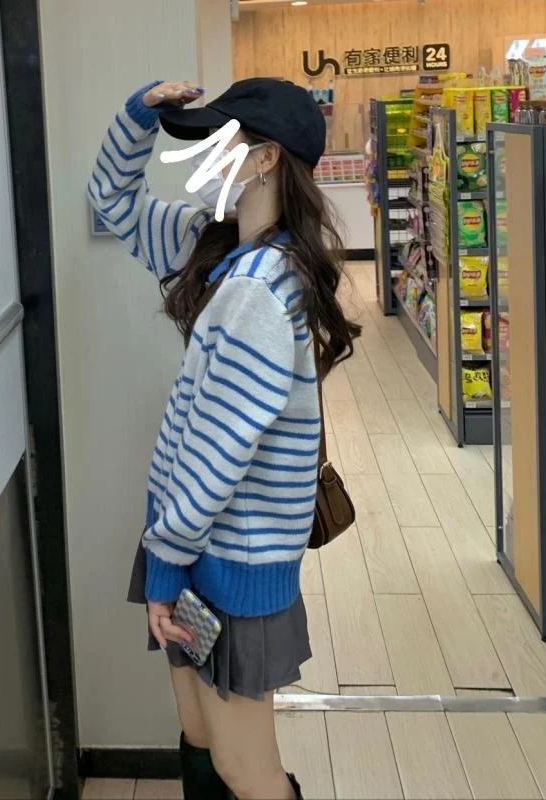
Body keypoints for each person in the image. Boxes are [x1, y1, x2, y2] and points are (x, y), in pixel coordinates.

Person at [87, 78, 361, 800]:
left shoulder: (257, 289)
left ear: (266, 159)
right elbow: (110, 200)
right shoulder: (215, 247)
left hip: (226, 559)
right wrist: (139, 113)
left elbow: (217, 455)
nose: (205, 157)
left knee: (244, 767)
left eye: (219, 142)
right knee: (202, 735)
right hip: (199, 550)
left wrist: (166, 566)